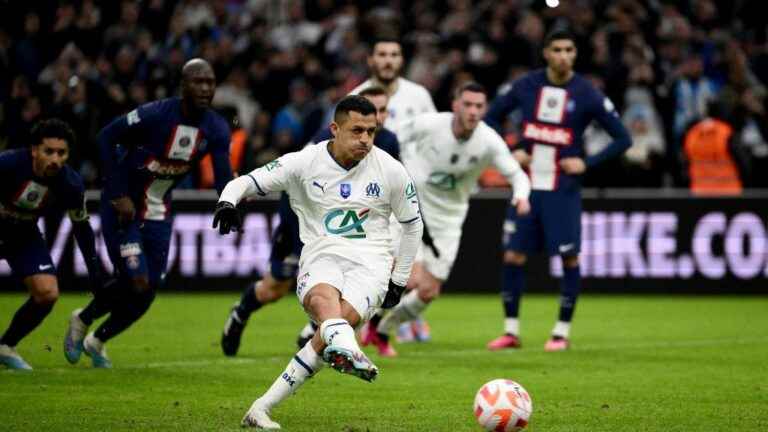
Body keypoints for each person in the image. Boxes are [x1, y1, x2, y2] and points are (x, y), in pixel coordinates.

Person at [213, 95, 423, 429]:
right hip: (321, 254)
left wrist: (399, 279)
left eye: (371, 131)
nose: (365, 139)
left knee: (330, 331)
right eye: (357, 131)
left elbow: (413, 224)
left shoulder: (391, 169)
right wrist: (227, 201)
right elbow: (246, 182)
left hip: (372, 264)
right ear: (335, 129)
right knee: (327, 307)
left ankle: (260, 408)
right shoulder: (304, 161)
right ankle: (349, 349)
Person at [63, 58, 232, 368]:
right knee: (136, 280)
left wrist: (231, 202)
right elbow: (105, 137)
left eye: (211, 81)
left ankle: (97, 340)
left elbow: (223, 178)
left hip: (158, 209)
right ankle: (82, 318)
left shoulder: (217, 128)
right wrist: (117, 193)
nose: (206, 87)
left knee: (148, 291)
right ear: (183, 85)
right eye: (199, 81)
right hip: (123, 207)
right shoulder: (155, 114)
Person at [220, 87, 400, 356]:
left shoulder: (388, 144)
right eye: (372, 110)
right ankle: (241, 313)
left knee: (344, 282)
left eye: (382, 110)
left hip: (346, 229)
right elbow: (294, 177)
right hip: (302, 221)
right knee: (274, 288)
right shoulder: (323, 143)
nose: (378, 117)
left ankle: (314, 332)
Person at [484, 29, 631, 352]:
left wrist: (587, 163)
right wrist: (511, 149)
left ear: (575, 54)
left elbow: (623, 138)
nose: (563, 55)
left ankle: (561, 333)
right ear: (546, 53)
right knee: (513, 255)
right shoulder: (526, 86)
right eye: (557, 49)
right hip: (527, 186)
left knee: (569, 258)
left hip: (562, 190)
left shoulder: (588, 93)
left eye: (569, 49)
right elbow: (490, 118)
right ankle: (511, 332)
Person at [360, 82, 532, 357]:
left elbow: (517, 174)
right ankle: (350, 322)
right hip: (411, 207)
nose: (473, 111)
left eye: (479, 106)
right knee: (409, 277)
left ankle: (381, 328)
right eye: (468, 104)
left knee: (428, 291)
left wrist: (521, 196)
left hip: (448, 220)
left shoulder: (488, 141)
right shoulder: (430, 124)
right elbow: (390, 138)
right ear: (455, 105)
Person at [352, 37, 437, 342]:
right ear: (372, 60)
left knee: (417, 270)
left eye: (394, 55)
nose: (388, 60)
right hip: (374, 197)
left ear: (401, 60)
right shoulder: (355, 96)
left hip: (415, 192)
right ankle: (371, 324)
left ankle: (401, 320)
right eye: (382, 54)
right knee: (380, 266)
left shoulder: (419, 96)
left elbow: (434, 138)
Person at [0, 119, 103, 370]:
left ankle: (5, 346)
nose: (55, 159)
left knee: (47, 294)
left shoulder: (71, 184)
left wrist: (94, 271)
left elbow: (81, 226)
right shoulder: (8, 164)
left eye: (62, 153)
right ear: (34, 150)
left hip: (23, 233)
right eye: (49, 151)